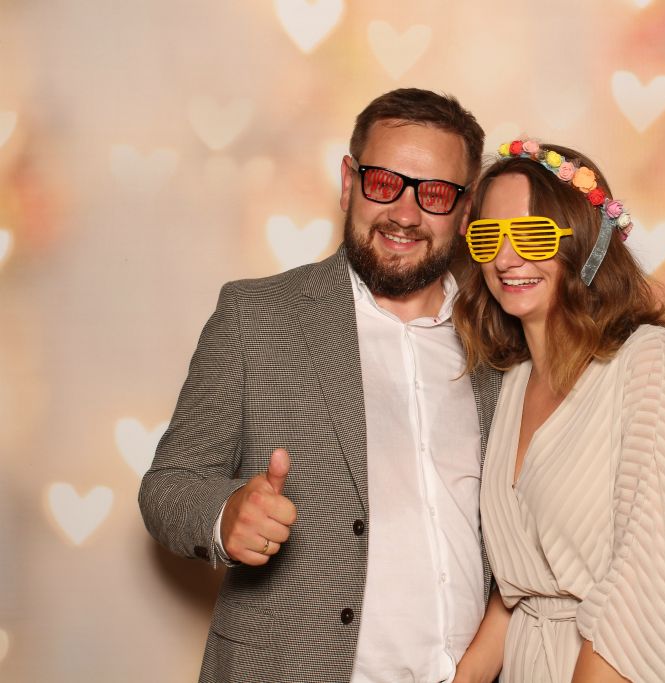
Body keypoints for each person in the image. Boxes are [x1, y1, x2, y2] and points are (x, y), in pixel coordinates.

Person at [139, 88, 508, 683]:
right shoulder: (256, 316)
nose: (405, 214)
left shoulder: (502, 337)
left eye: (435, 194)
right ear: (348, 183)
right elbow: (167, 486)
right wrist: (224, 515)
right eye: (383, 183)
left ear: (465, 212)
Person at [452, 139, 665, 682]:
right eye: (487, 237)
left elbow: (648, 581)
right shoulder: (511, 382)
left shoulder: (650, 362)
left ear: (586, 244)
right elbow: (519, 591)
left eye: (532, 236)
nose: (505, 258)